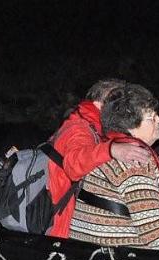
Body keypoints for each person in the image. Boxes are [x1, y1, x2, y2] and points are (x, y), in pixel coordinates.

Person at [69, 84, 159, 250]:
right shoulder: (136, 161)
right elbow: (153, 235)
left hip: (87, 252)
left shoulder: (106, 147)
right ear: (131, 126)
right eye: (151, 117)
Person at [44, 78, 151, 239]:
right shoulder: (79, 128)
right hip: (60, 229)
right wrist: (111, 149)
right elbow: (73, 165)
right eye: (119, 102)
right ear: (102, 104)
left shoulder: (94, 126)